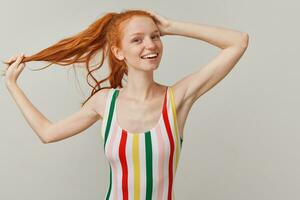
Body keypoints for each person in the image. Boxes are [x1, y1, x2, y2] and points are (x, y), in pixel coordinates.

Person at [2, 9, 249, 200]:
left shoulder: (177, 99)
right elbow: (47, 133)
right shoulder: (104, 103)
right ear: (118, 52)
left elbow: (238, 42)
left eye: (155, 37)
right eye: (137, 40)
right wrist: (12, 85)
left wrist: (172, 26)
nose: (151, 45)